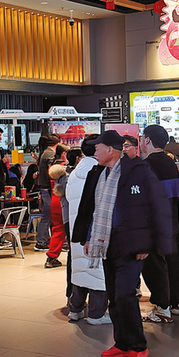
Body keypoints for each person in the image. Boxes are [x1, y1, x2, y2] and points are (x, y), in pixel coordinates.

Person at [73, 131, 174, 357]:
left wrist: (147, 244)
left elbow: (155, 206)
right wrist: (88, 237)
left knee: (125, 295)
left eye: (98, 148)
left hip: (131, 242)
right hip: (106, 241)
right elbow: (92, 209)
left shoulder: (138, 171)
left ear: (111, 149)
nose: (94, 152)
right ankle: (122, 343)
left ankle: (138, 346)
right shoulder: (98, 173)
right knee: (114, 294)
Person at [138, 125, 179, 323]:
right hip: (171, 221)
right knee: (173, 262)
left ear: (147, 140)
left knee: (155, 265)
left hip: (153, 224)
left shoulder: (146, 166)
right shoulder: (170, 163)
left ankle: (162, 307)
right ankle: (176, 303)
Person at [65, 135, 110, 325]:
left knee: (79, 268)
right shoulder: (101, 171)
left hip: (77, 227)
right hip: (96, 228)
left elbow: (68, 197)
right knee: (98, 271)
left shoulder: (76, 172)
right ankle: (96, 314)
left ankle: (75, 309)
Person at [45, 144, 69, 268]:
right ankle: (72, 254)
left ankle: (51, 256)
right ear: (64, 154)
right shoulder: (66, 168)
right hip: (64, 200)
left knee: (57, 229)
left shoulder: (51, 167)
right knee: (68, 228)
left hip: (54, 198)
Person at [35, 135, 59, 251]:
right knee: (47, 215)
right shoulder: (49, 154)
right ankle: (41, 241)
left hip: (44, 188)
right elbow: (51, 171)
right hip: (47, 188)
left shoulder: (45, 153)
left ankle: (43, 240)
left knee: (47, 215)